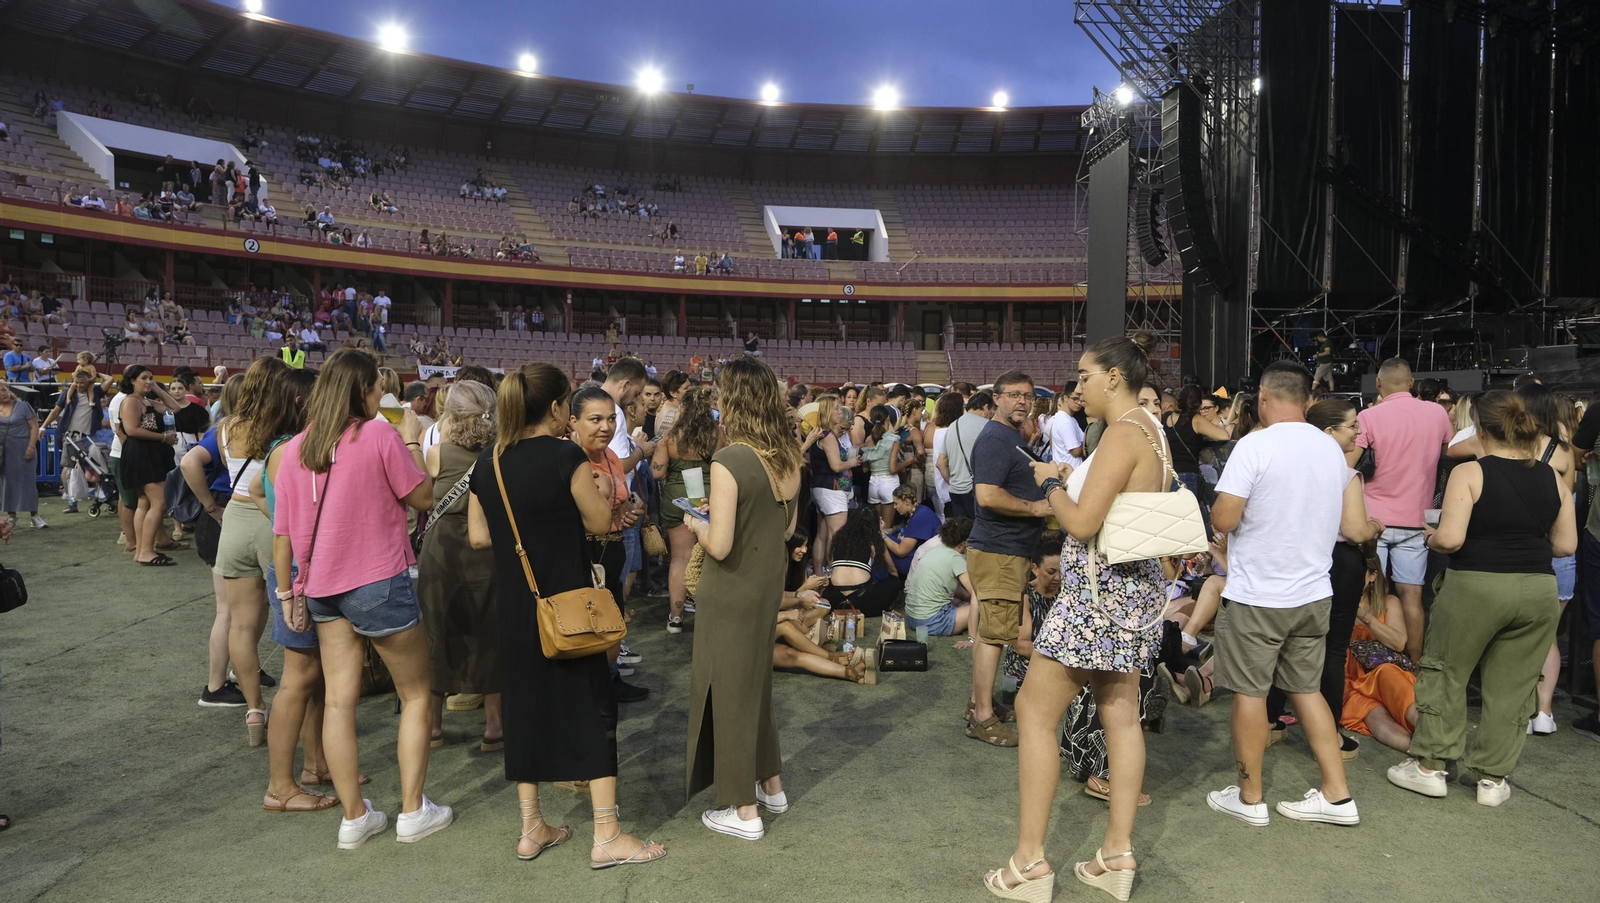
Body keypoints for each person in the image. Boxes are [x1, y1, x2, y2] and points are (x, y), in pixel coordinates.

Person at [985, 338, 1171, 901]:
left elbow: (1084, 524)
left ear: (1114, 377)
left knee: (1033, 710)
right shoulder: (1153, 428)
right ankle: (1116, 854)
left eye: (1084, 376)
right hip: (1134, 595)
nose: (1077, 387)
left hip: (1097, 597)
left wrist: (1049, 482)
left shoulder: (1122, 431)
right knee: (1121, 714)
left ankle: (1029, 864)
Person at [465, 362, 666, 868]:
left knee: (524, 710)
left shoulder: (489, 460)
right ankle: (607, 834)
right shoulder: (565, 455)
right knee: (594, 708)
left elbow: (479, 535)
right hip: (568, 604)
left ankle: (532, 827)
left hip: (516, 604)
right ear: (558, 408)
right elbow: (599, 520)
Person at [271, 348, 449, 849]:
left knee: (338, 703)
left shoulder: (297, 448)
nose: (380, 398)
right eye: (376, 390)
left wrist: (288, 592)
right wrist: (413, 443)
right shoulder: (376, 433)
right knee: (415, 693)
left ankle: (354, 817)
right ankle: (413, 810)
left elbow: (282, 533)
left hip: (322, 586)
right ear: (362, 391)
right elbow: (422, 496)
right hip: (377, 578)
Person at [1387, 390, 1575, 807]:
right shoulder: (1553, 478)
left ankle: (1431, 767)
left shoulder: (1470, 473)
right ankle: (1493, 778)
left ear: (1481, 430)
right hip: (1537, 588)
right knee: (1515, 685)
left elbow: (1451, 538)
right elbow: (1565, 546)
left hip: (1476, 583)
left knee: (1447, 673)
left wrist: (1432, 537)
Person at [1205, 361, 1370, 830]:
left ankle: (1250, 796)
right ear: (1308, 400)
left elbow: (1223, 519)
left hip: (1259, 593)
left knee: (1251, 694)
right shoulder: (1330, 449)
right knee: (1307, 689)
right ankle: (1338, 796)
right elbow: (1347, 520)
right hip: (1314, 591)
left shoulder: (1254, 445)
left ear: (1262, 395)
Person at [683, 356, 803, 842]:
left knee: (729, 692)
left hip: (730, 587)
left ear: (732, 400)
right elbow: (788, 528)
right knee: (755, 687)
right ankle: (771, 786)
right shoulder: (789, 455)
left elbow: (720, 545)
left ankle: (745, 809)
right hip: (767, 584)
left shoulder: (730, 459)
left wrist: (696, 521)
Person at [212, 356, 292, 745]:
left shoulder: (226, 426)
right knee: (294, 617)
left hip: (235, 523)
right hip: (273, 521)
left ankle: (254, 709)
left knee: (241, 625)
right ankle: (296, 707)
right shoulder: (280, 428)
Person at [418, 381, 501, 752]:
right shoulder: (501, 453)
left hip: (442, 552)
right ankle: (495, 727)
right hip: (488, 549)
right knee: (491, 634)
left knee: (436, 634)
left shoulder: (436, 453)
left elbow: (422, 498)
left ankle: (433, 725)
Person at [966, 371, 1047, 749]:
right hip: (999, 549)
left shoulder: (1009, 436)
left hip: (1006, 549)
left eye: (1027, 396)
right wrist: (1036, 507)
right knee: (994, 636)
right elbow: (987, 495)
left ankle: (981, 705)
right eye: (1014, 395)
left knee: (994, 633)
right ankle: (982, 717)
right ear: (995, 398)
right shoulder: (997, 439)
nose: (1022, 401)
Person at [1353, 358, 1454, 661]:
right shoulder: (1437, 413)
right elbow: (1447, 457)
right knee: (1413, 597)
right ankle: (1415, 666)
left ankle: (1363, 663)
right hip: (1417, 520)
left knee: (1367, 594)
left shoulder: (1368, 416)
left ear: (1378, 384)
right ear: (1411, 383)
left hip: (1373, 522)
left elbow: (1346, 466)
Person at [570, 386, 648, 702]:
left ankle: (608, 681)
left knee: (611, 625)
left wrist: (628, 510)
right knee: (586, 629)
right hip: (582, 554)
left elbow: (616, 504)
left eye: (611, 419)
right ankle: (588, 692)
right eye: (595, 419)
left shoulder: (611, 456)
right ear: (573, 421)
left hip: (612, 550)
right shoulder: (566, 459)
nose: (606, 427)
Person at [652, 385, 721, 634]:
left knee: (680, 558)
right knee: (710, 558)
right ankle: (709, 615)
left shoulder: (671, 435)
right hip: (709, 499)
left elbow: (657, 472)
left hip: (676, 498)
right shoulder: (717, 434)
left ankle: (676, 617)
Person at [118, 367, 190, 563]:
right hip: (143, 456)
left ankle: (142, 551)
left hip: (149, 455)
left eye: (151, 378)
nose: (148, 381)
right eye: (144, 378)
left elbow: (175, 408)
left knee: (145, 503)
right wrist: (163, 437)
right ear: (132, 381)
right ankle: (145, 551)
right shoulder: (131, 401)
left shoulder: (146, 401)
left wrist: (157, 389)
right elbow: (132, 430)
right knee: (159, 503)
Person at [42, 368, 107, 514]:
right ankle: (73, 503)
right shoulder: (67, 394)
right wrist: (43, 427)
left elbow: (109, 380)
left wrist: (95, 374)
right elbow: (56, 411)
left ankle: (109, 496)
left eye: (82, 383)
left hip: (89, 435)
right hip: (71, 436)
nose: (79, 385)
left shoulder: (95, 392)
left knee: (101, 467)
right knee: (72, 470)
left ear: (88, 382)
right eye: (76, 382)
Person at [806, 394, 858, 575]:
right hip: (832, 488)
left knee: (822, 534)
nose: (839, 411)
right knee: (837, 534)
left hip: (820, 487)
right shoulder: (827, 436)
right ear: (828, 411)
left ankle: (820, 573)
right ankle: (835, 573)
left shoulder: (819, 432)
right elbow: (836, 466)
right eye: (836, 408)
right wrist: (852, 463)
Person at [904, 517, 976, 637]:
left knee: (961, 600)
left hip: (911, 619)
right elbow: (976, 595)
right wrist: (972, 638)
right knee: (981, 607)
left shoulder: (934, 551)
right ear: (966, 541)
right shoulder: (955, 558)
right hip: (931, 622)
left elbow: (946, 586)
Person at [937, 391, 995, 520]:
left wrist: (953, 482)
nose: (991, 415)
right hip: (976, 491)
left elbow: (940, 463)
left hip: (955, 491)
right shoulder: (987, 426)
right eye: (991, 412)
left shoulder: (953, 426)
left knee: (962, 533)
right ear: (985, 407)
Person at [0, 381, 41, 529]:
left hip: (24, 447)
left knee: (28, 482)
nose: (2, 393)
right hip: (4, 452)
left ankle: (35, 515)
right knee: (6, 484)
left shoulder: (23, 406)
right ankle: (12, 516)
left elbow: (34, 426)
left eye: (4, 390)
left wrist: (31, 447)